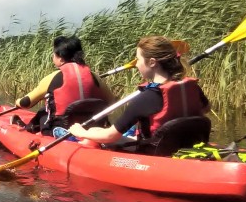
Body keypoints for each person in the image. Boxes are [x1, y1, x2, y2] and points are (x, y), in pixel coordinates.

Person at [69, 35, 210, 148]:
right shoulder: (191, 86)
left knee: (94, 132)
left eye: (138, 59)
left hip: (154, 151)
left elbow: (110, 136)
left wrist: (80, 132)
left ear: (152, 62)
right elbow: (206, 108)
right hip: (187, 144)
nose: (136, 64)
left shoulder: (148, 97)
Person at [15, 35, 114, 134]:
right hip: (93, 127)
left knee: (43, 112)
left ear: (61, 59)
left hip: (62, 129)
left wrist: (17, 102)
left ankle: (29, 129)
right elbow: (112, 103)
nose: (52, 57)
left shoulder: (52, 78)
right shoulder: (95, 77)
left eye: (53, 54)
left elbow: (26, 103)